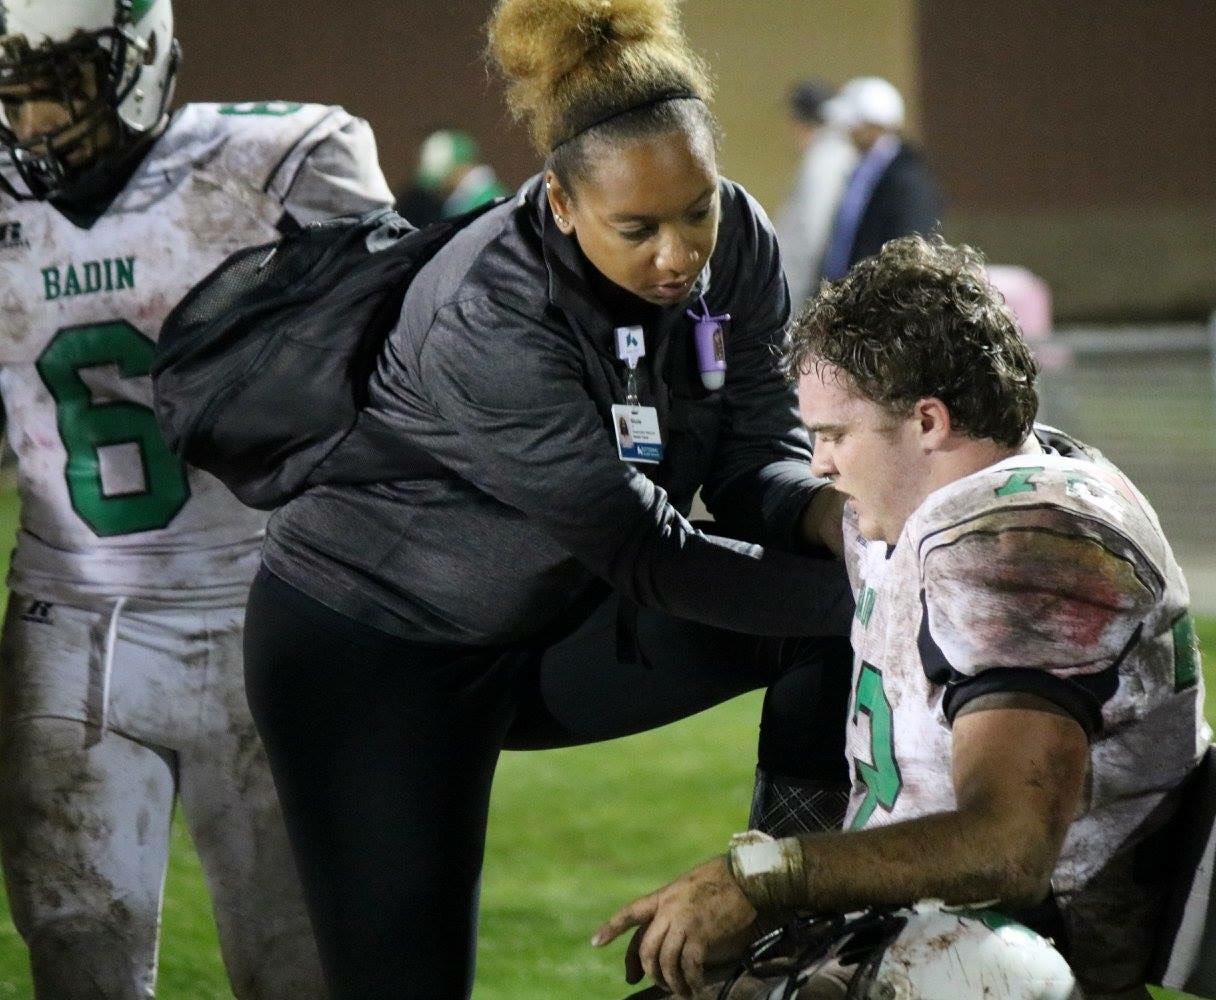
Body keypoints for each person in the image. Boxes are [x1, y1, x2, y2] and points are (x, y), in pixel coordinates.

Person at [241, 1, 854, 996]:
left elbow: (755, 461)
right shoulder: (489, 303)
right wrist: (881, 592)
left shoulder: (736, 236)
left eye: (694, 208)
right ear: (561, 206)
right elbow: (645, 550)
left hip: (550, 615)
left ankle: (783, 916)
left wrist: (851, 528)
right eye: (637, 227)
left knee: (830, 623)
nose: (680, 251)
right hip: (371, 653)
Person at [596, 236, 1211, 1000]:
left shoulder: (1023, 546)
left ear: (927, 421)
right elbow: (815, 510)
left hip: (994, 962)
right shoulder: (936, 506)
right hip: (898, 944)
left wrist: (766, 880)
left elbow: (1009, 844)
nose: (821, 461)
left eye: (834, 435)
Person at [0, 1, 394, 998]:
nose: (35, 122)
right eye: (15, 93)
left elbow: (396, 363)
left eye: (60, 86)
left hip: (263, 603)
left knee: (300, 964)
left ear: (134, 62)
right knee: (78, 954)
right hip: (70, 615)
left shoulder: (278, 160)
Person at [818, 76, 941, 283]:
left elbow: (911, 252)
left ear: (874, 126)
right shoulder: (863, 170)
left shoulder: (908, 180)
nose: (849, 131)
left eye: (856, 124)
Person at [774, 80, 856, 315]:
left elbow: (810, 235)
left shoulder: (825, 162)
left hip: (804, 291)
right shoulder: (830, 156)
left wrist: (790, 300)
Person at [396, 127, 508, 227]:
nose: (438, 186)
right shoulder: (462, 200)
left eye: (442, 175)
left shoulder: (487, 201)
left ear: (461, 166)